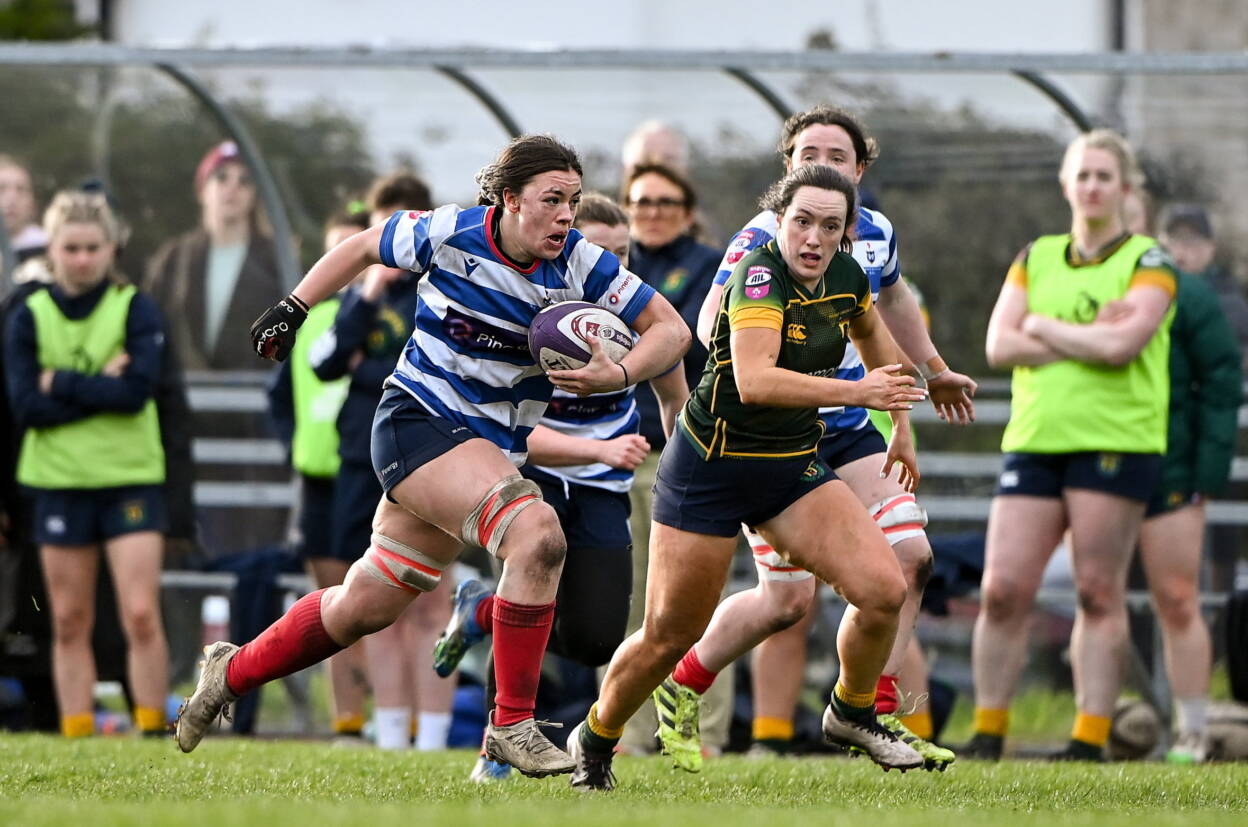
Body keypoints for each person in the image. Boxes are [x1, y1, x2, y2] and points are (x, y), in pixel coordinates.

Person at [175, 135, 690, 778]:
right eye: (552, 200)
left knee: (364, 603)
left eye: (574, 201)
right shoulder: (450, 232)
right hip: (417, 424)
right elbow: (365, 245)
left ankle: (232, 671)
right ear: (508, 200)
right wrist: (295, 307)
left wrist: (618, 375)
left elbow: (671, 330)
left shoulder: (583, 265)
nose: (566, 215)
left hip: (484, 447)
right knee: (537, 534)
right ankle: (511, 726)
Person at [567, 164, 931, 791]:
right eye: (802, 222)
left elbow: (878, 347)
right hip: (710, 468)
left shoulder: (847, 278)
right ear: (778, 222)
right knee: (669, 633)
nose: (813, 238)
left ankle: (851, 709)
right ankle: (595, 738)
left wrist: (897, 419)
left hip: (790, 466)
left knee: (884, 588)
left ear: (846, 236)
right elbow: (756, 381)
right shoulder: (756, 275)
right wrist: (856, 389)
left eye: (830, 226)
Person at [659, 105, 975, 771]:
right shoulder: (759, 243)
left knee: (912, 556)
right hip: (774, 440)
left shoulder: (873, 235)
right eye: (809, 154)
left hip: (852, 427)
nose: (821, 165)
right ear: (788, 168)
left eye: (837, 156)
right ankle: (682, 680)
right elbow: (713, 322)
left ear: (859, 171)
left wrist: (933, 376)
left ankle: (872, 712)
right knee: (786, 602)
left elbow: (889, 305)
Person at [432, 192, 689, 781]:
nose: (613, 270)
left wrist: (678, 473)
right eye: (602, 254)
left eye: (624, 257)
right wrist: (595, 446)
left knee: (596, 640)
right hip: (533, 476)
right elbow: (505, 432)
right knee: (530, 596)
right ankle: (492, 755)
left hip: (603, 487)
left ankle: (480, 611)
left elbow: (674, 397)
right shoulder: (522, 315)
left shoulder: (638, 321)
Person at [968, 129, 1177, 762]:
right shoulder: (1037, 256)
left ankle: (1088, 738)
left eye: (1104, 177)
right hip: (1035, 438)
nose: (1091, 187)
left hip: (1115, 440)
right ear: (1066, 185)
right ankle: (988, 731)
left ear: (1125, 188)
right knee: (1002, 589)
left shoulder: (1150, 261)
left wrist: (1043, 325)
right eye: (1082, 175)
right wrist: (1082, 332)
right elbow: (999, 347)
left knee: (1096, 590)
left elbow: (1123, 347)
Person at [3, 190, 170, 737]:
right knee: (68, 619)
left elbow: (136, 393)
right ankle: (77, 734)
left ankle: (154, 730)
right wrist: (102, 381)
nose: (81, 259)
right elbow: (26, 405)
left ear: (110, 248)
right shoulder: (29, 313)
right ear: (51, 248)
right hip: (58, 480)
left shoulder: (134, 307)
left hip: (129, 478)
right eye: (70, 248)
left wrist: (63, 382)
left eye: (92, 247)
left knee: (140, 614)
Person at [315, 172, 458, 751]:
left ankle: (435, 737)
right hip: (360, 460)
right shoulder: (363, 295)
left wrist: (366, 369)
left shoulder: (442, 290)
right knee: (374, 599)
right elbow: (324, 362)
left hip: (429, 454)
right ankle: (391, 735)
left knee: (431, 601)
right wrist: (368, 288)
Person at [616, 162, 731, 757]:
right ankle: (625, 734)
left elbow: (686, 341)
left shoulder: (711, 266)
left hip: (686, 452)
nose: (651, 212)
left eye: (665, 201)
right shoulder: (607, 265)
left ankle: (702, 733)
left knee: (693, 603)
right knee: (628, 603)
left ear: (687, 211)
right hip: (616, 454)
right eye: (640, 202)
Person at [1135, 204, 1243, 763]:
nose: (1181, 252)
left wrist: (1207, 470)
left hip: (1175, 467)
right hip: (1097, 466)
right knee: (1098, 597)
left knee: (1180, 596)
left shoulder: (1203, 299)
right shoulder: (1108, 277)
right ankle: (1096, 724)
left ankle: (1193, 729)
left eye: (1192, 242)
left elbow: (1223, 383)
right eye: (1171, 239)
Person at [267, 208, 371, 741]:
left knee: (379, 595)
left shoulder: (381, 316)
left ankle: (401, 717)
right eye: (334, 253)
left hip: (372, 471)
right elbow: (280, 399)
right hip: (319, 478)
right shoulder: (307, 327)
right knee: (330, 598)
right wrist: (295, 449)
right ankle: (347, 720)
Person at [145, 140, 285, 371]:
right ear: (202, 190)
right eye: (221, 177)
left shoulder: (275, 260)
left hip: (254, 395)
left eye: (245, 181)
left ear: (254, 194)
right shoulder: (174, 257)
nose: (232, 188)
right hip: (183, 394)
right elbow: (149, 324)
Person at [0, 155, 47, 271]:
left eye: (21, 189)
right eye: (1, 189)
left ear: (33, 202)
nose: (12, 198)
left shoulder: (48, 248)